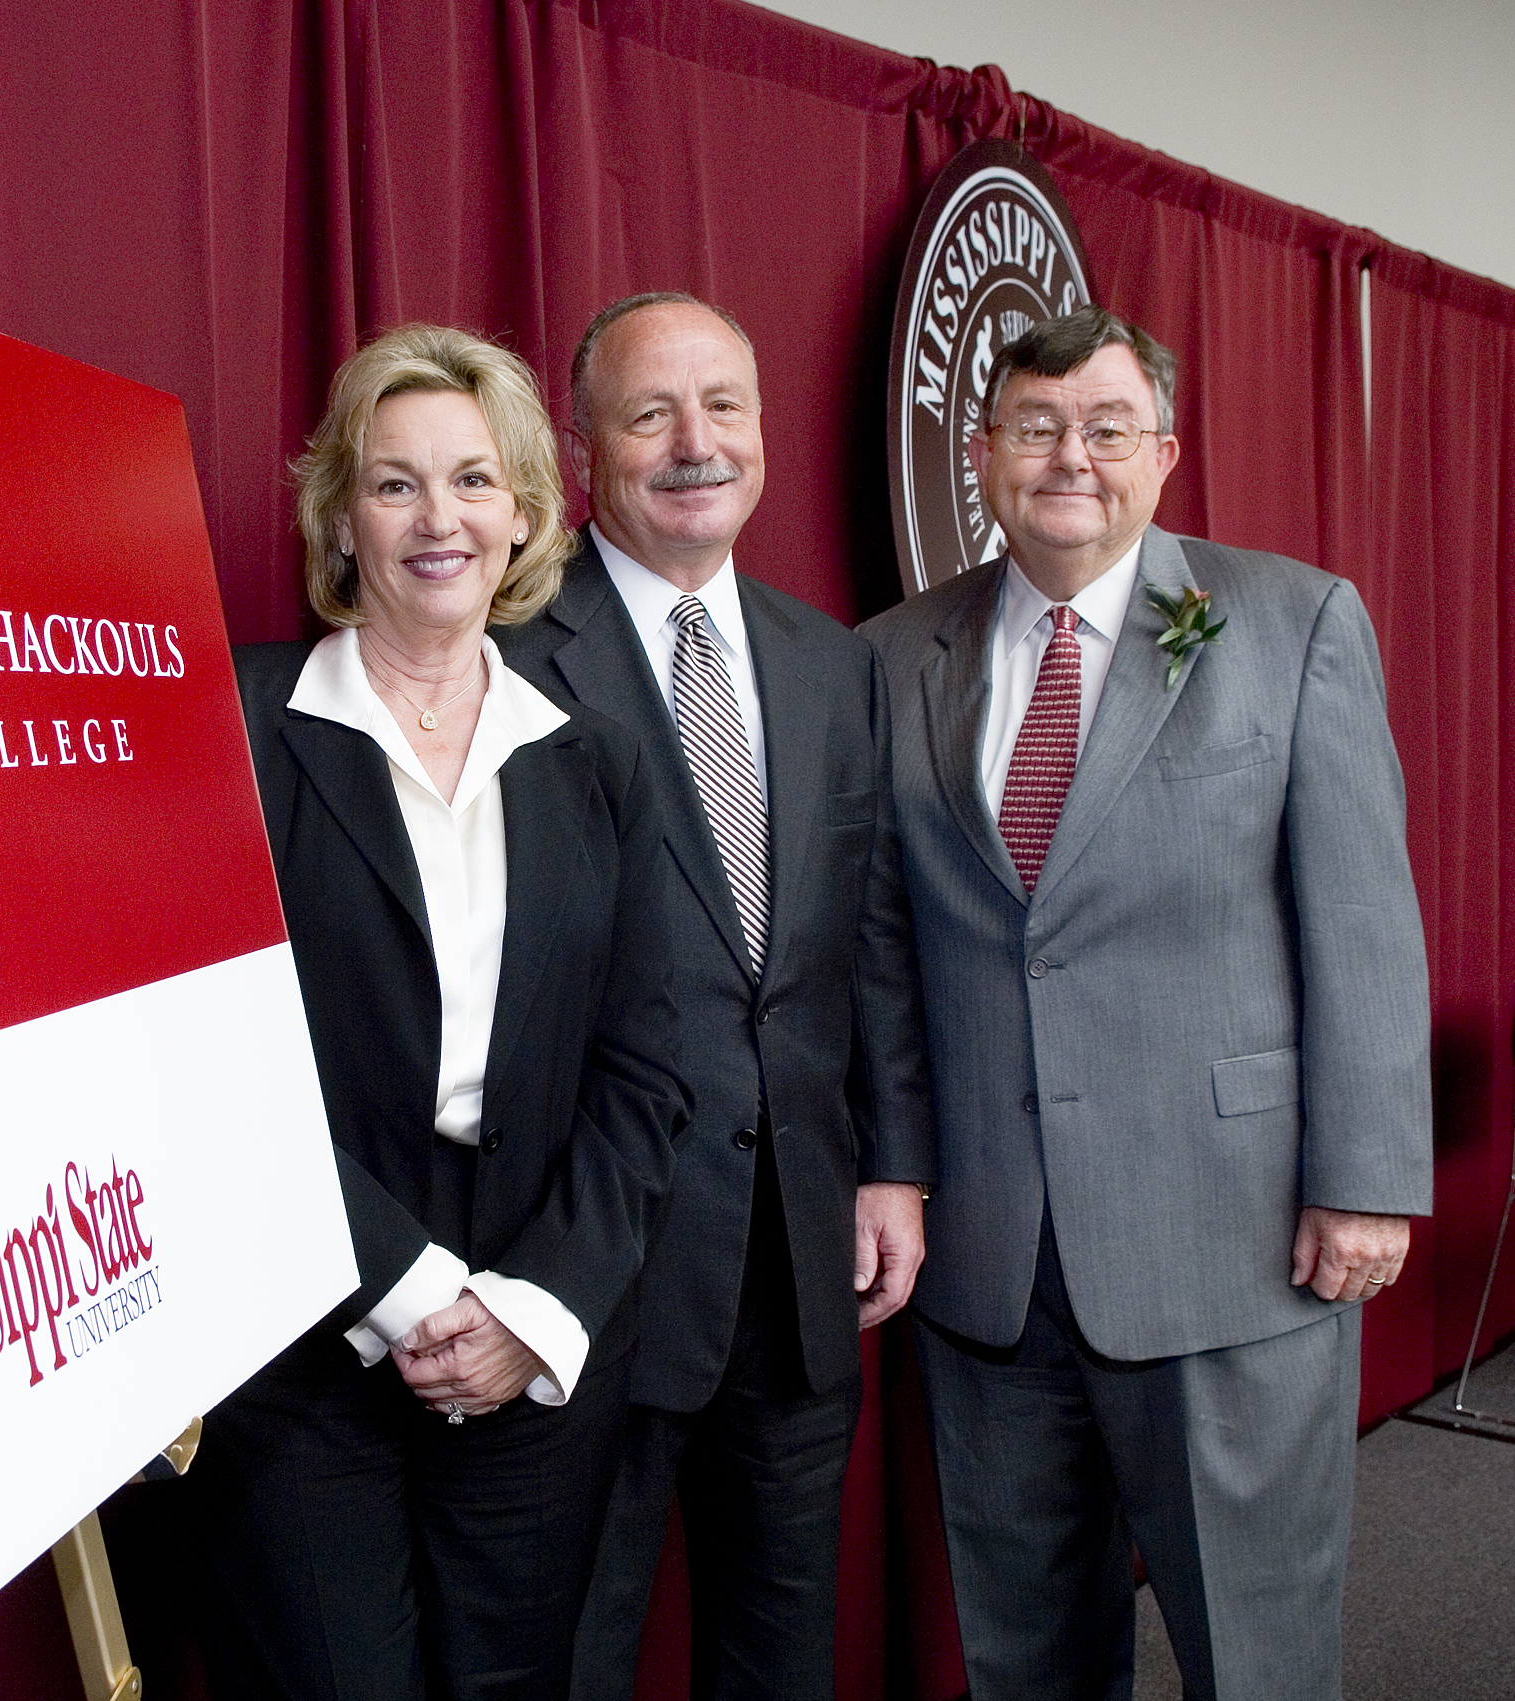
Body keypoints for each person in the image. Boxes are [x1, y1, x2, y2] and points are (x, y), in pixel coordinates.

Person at [858, 304, 1432, 1701]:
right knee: (1026, 1650)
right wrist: (893, 1164)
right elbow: (879, 947)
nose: (1071, 456)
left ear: (1161, 453)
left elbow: (1359, 919)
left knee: (1255, 1653)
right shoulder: (885, 658)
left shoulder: (1291, 620)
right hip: (992, 1260)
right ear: (982, 454)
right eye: (1037, 427)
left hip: (1231, 1238)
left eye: (1106, 427)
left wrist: (1364, 1179)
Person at [196, 323, 688, 1701]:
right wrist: (408, 1289)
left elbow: (646, 1068)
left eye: (473, 481)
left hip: (536, 1310)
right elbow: (213, 1068)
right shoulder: (236, 730)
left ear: (523, 511)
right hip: (302, 1320)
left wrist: (533, 1305)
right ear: (338, 515)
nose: (438, 518)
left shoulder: (593, 760)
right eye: (394, 482)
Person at [498, 293, 933, 1699]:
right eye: (649, 413)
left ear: (761, 427)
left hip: (803, 1264)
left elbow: (869, 939)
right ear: (582, 446)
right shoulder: (501, 650)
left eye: (723, 407)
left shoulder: (832, 663)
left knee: (776, 1652)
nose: (696, 443)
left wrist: (892, 1169)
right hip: (588, 1265)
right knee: (570, 1652)